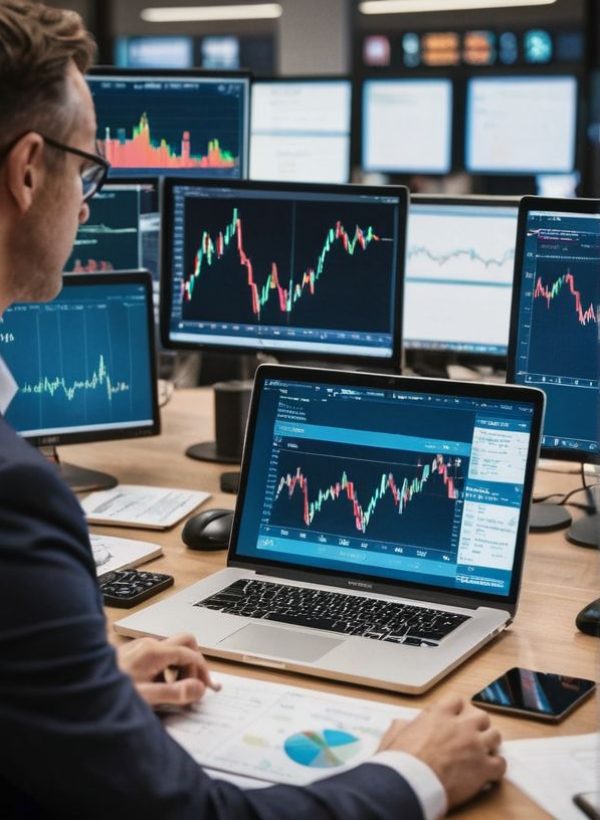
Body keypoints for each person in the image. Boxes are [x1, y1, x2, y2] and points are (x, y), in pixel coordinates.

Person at [0, 3, 506, 818]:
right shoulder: (16, 498)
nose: (90, 201)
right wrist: (417, 773)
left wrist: (78, 696)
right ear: (27, 172)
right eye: (87, 168)